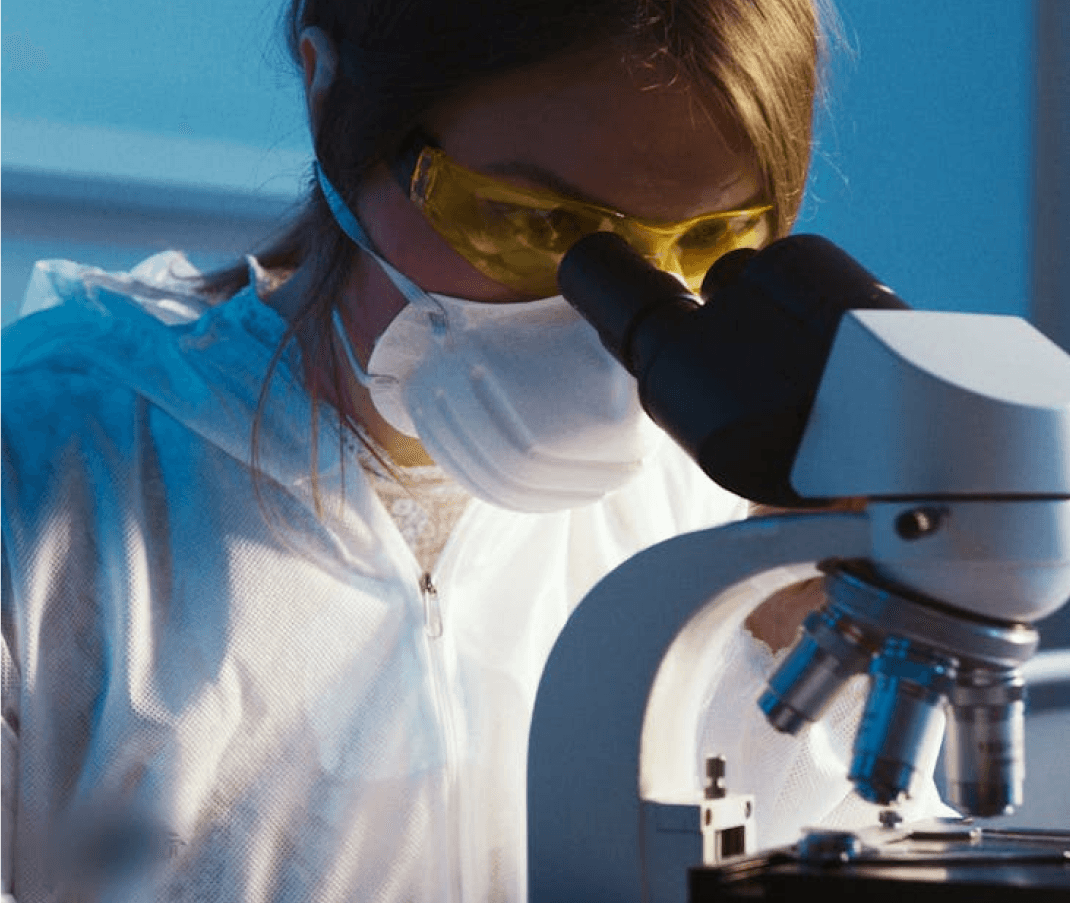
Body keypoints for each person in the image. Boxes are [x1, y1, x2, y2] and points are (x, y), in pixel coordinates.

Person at [0, 0, 949, 899]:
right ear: (332, 100)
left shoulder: (713, 505)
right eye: (535, 224)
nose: (612, 325)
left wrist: (780, 622)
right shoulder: (50, 469)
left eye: (711, 239)